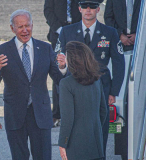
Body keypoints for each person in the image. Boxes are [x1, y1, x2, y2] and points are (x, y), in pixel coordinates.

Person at [0, 9, 67, 160]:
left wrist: (62, 68)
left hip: (40, 116)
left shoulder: (45, 48)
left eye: (27, 26)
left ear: (32, 25)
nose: (25, 30)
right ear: (12, 28)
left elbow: (59, 79)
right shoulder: (2, 51)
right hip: (15, 115)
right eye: (20, 27)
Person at [57, 0, 125, 159]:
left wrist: (113, 92)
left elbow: (119, 63)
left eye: (92, 7)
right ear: (79, 8)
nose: (88, 10)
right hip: (73, 89)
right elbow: (60, 62)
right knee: (75, 130)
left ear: (98, 9)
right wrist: (61, 67)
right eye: (85, 7)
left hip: (101, 88)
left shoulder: (110, 32)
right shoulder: (67, 31)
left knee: (99, 132)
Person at [104, 0, 142, 159]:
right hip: (120, 53)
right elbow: (108, 17)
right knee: (120, 104)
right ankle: (123, 150)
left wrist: (139, 34)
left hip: (141, 51)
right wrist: (120, 35)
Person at [58, 41, 107, 160]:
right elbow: (103, 111)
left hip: (75, 146)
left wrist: (62, 143)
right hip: (96, 145)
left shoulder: (66, 84)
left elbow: (67, 118)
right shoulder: (96, 81)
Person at [44, 0, 82, 127]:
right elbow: (48, 11)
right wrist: (59, 29)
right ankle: (57, 114)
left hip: (78, 32)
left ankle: (76, 111)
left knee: (79, 70)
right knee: (59, 71)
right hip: (58, 33)